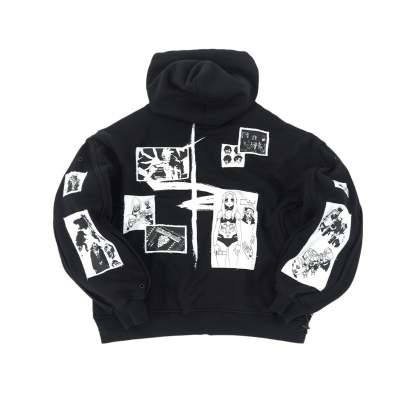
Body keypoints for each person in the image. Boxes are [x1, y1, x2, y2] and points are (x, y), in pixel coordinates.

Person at [212, 191, 242, 267]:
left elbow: (239, 230)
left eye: (232, 200)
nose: (229, 202)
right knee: (220, 265)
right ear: (223, 201)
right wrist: (214, 244)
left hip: (234, 241)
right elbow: (216, 230)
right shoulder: (220, 213)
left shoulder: (236, 214)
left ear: (235, 201)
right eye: (226, 200)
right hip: (220, 241)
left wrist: (239, 244)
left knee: (233, 265)